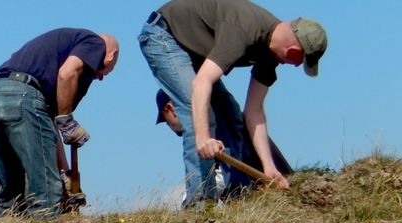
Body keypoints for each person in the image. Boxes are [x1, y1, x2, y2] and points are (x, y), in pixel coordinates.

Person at [140, 0, 327, 208]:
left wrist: (269, 167)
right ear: (293, 51)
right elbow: (201, 83)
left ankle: (237, 197)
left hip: (194, 50)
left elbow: (253, 111)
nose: (294, 66)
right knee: (199, 116)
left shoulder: (270, 55)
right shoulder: (243, 31)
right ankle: (200, 206)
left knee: (231, 115)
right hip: (164, 35)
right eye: (299, 61)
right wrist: (203, 137)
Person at [0, 28, 119, 220]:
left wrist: (66, 175)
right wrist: (67, 120)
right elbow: (67, 73)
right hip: (22, 95)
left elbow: (47, 126)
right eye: (105, 72)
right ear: (111, 56)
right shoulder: (95, 43)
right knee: (45, 188)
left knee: (12, 185)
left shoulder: (55, 54)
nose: (100, 77)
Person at [154, 90, 293, 200]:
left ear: (170, 109)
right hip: (275, 180)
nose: (169, 126)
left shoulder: (214, 125)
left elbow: (222, 175)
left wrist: (191, 202)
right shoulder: (222, 116)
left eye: (166, 121)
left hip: (269, 187)